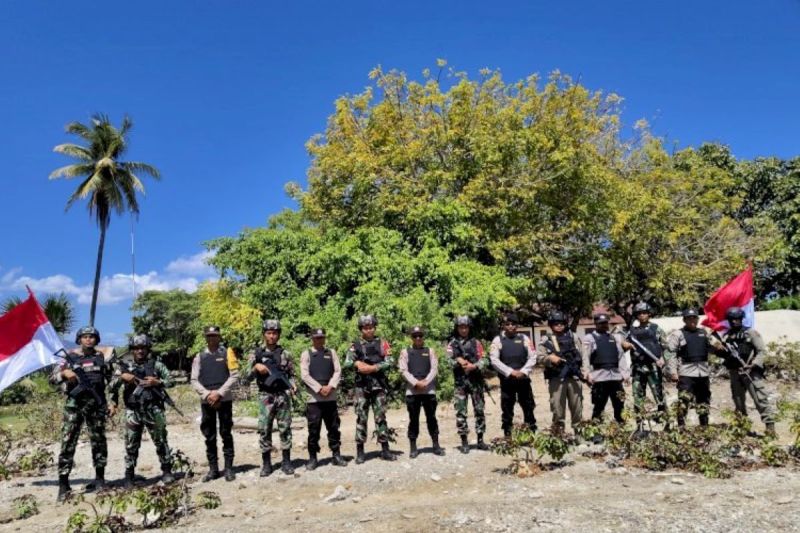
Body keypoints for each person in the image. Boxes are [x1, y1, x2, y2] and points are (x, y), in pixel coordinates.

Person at [52, 326, 114, 502]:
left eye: (92, 337)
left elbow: (111, 380)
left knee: (99, 442)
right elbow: (52, 379)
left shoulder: (102, 358)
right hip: (74, 406)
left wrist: (112, 402)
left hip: (96, 405)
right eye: (85, 337)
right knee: (68, 444)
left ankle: (100, 479)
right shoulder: (69, 358)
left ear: (97, 340)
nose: (88, 340)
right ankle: (64, 485)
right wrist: (64, 373)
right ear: (79, 339)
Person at [109, 334, 174, 488]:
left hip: (154, 408)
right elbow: (111, 386)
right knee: (131, 445)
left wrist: (157, 382)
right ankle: (129, 476)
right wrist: (122, 378)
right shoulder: (123, 367)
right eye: (137, 348)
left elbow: (171, 381)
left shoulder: (156, 365)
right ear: (132, 350)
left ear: (147, 349)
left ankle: (166, 471)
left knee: (161, 441)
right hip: (133, 410)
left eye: (143, 348)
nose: (140, 351)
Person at [245, 319, 298, 476]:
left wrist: (293, 385)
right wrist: (255, 368)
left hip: (282, 395)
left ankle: (286, 462)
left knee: (285, 428)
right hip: (265, 396)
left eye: (275, 333)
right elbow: (245, 378)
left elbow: (291, 375)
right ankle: (266, 464)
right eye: (269, 333)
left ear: (279, 334)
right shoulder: (255, 354)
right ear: (264, 334)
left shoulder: (285, 354)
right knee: (264, 429)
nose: (272, 336)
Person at [344, 315, 395, 463]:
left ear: (375, 328)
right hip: (361, 387)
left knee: (381, 417)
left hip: (378, 385)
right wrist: (357, 364)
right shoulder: (355, 345)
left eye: (371, 327)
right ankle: (360, 452)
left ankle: (385, 449)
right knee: (361, 417)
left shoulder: (383, 344)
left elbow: (390, 361)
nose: (369, 330)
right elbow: (347, 362)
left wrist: (374, 368)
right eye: (366, 328)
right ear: (361, 329)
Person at [191, 326, 239, 481]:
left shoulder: (227, 353)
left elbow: (234, 375)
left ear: (219, 337)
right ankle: (213, 469)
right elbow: (194, 379)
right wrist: (207, 394)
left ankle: (229, 469)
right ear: (206, 337)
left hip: (224, 399)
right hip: (207, 402)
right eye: (209, 336)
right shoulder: (200, 356)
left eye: (215, 336)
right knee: (209, 436)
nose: (212, 338)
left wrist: (219, 393)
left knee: (226, 433)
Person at [719, 307, 776, 436]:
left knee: (760, 399)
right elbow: (723, 354)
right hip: (735, 372)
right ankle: (742, 426)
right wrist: (718, 349)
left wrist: (753, 364)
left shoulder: (751, 333)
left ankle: (770, 427)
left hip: (751, 372)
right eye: (732, 319)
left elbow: (761, 351)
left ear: (742, 319)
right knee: (738, 400)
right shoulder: (726, 336)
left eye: (737, 319)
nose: (735, 322)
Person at [665, 309, 721, 427]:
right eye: (689, 318)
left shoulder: (704, 333)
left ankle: (704, 426)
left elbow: (712, 348)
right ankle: (681, 426)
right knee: (684, 401)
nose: (692, 320)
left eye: (694, 317)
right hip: (686, 373)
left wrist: (719, 346)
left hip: (703, 372)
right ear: (684, 320)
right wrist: (673, 372)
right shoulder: (678, 334)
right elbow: (670, 353)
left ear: (697, 319)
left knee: (704, 400)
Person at [300, 328, 346, 470]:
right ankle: (313, 458)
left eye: (321, 337)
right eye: (317, 338)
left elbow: (338, 371)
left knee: (333, 427)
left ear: (324, 338)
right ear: (312, 339)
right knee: (313, 429)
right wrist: (319, 388)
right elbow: (304, 375)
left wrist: (330, 386)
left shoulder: (331, 353)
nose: (319, 340)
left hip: (330, 397)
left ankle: (336, 455)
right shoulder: (306, 354)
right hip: (314, 398)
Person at [398, 326, 444, 458]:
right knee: (414, 420)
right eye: (415, 336)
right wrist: (415, 383)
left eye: (420, 335)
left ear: (423, 337)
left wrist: (426, 382)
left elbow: (434, 368)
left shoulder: (430, 351)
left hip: (428, 391)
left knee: (432, 418)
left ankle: (436, 445)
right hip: (412, 392)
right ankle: (413, 447)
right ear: (411, 337)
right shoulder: (405, 352)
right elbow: (403, 370)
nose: (418, 338)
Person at [536, 311, 584, 436]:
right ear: (551, 325)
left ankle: (578, 434)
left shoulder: (573, 337)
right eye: (556, 323)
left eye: (561, 323)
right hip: (557, 379)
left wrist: (585, 372)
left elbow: (583, 355)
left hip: (574, 377)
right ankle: (559, 436)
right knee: (557, 409)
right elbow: (539, 357)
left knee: (577, 408)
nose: (559, 326)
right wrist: (550, 358)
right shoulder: (546, 340)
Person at [447, 316, 489, 453]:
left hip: (475, 382)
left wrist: (474, 366)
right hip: (460, 383)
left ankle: (480, 440)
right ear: (457, 328)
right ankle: (464, 441)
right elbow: (447, 362)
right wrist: (458, 362)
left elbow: (485, 360)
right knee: (461, 412)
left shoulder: (476, 343)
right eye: (461, 327)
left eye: (465, 327)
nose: (463, 329)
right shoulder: (452, 344)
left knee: (479, 410)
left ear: (469, 328)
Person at [490, 313, 537, 436]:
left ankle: (531, 433)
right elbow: (494, 360)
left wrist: (523, 371)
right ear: (504, 326)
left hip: (523, 379)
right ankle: (508, 435)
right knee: (507, 409)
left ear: (517, 326)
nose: (511, 326)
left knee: (528, 407)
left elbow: (533, 357)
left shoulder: (524, 338)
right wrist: (510, 372)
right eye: (507, 324)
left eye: (513, 324)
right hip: (507, 381)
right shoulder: (498, 340)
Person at [582, 313, 632, 425]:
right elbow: (585, 357)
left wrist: (625, 374)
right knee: (599, 406)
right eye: (601, 323)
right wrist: (587, 373)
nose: (604, 325)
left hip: (615, 377)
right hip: (600, 378)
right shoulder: (589, 338)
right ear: (595, 324)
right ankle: (596, 432)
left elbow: (621, 357)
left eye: (605, 323)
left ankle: (621, 428)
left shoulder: (615, 337)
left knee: (620, 404)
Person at [627, 303, 669, 431]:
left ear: (649, 313)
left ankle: (666, 424)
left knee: (660, 396)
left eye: (644, 312)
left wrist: (663, 358)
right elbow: (624, 343)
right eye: (639, 313)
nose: (642, 315)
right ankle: (640, 426)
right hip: (638, 368)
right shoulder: (632, 331)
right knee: (638, 398)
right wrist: (625, 344)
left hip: (653, 368)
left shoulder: (656, 329)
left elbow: (666, 347)